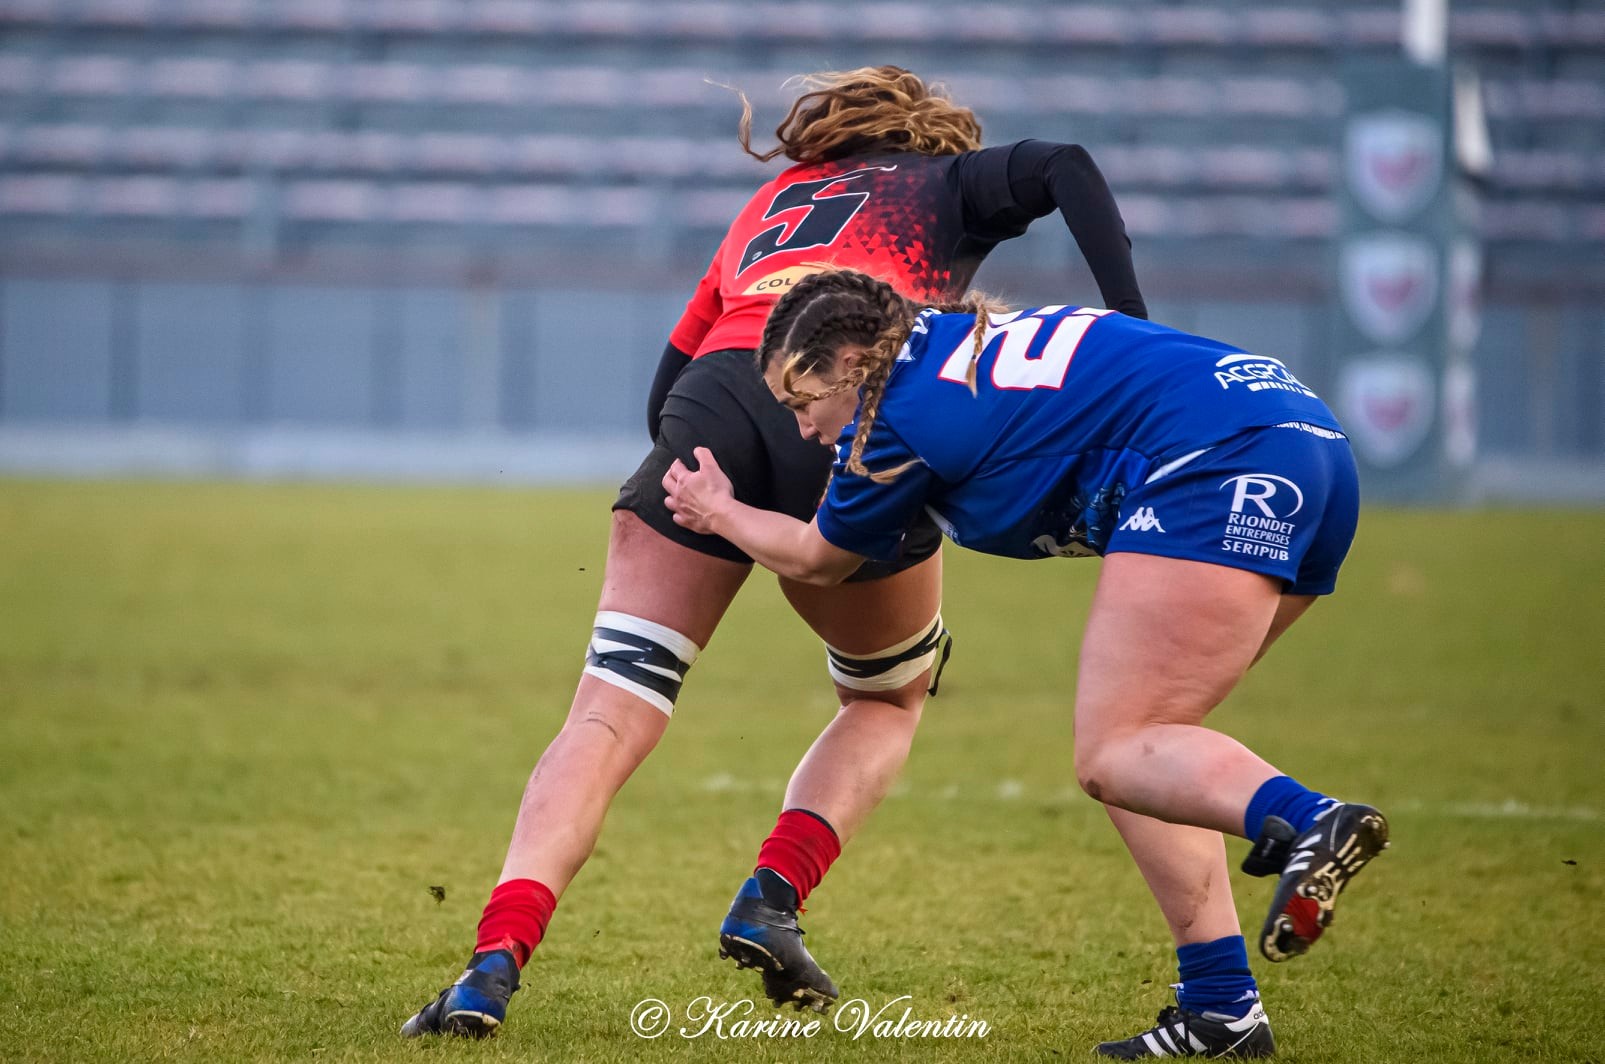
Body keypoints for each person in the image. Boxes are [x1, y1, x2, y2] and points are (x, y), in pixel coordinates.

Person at [401, 67, 1148, 1037]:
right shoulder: (942, 183)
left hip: (706, 412)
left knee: (609, 713)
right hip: (846, 416)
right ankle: (771, 896)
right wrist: (1133, 322)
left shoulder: (772, 198)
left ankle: (488, 966)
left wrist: (705, 491)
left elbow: (672, 376)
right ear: (930, 137)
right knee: (885, 695)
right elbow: (1068, 165)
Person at [661, 269, 1390, 1059]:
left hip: (1215, 464)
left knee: (1120, 746)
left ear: (852, 361)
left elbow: (818, 558)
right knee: (1149, 751)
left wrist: (718, 511)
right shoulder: (947, 343)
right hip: (1311, 446)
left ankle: (1312, 821)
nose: (804, 432)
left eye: (803, 404)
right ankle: (1222, 1009)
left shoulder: (892, 418)